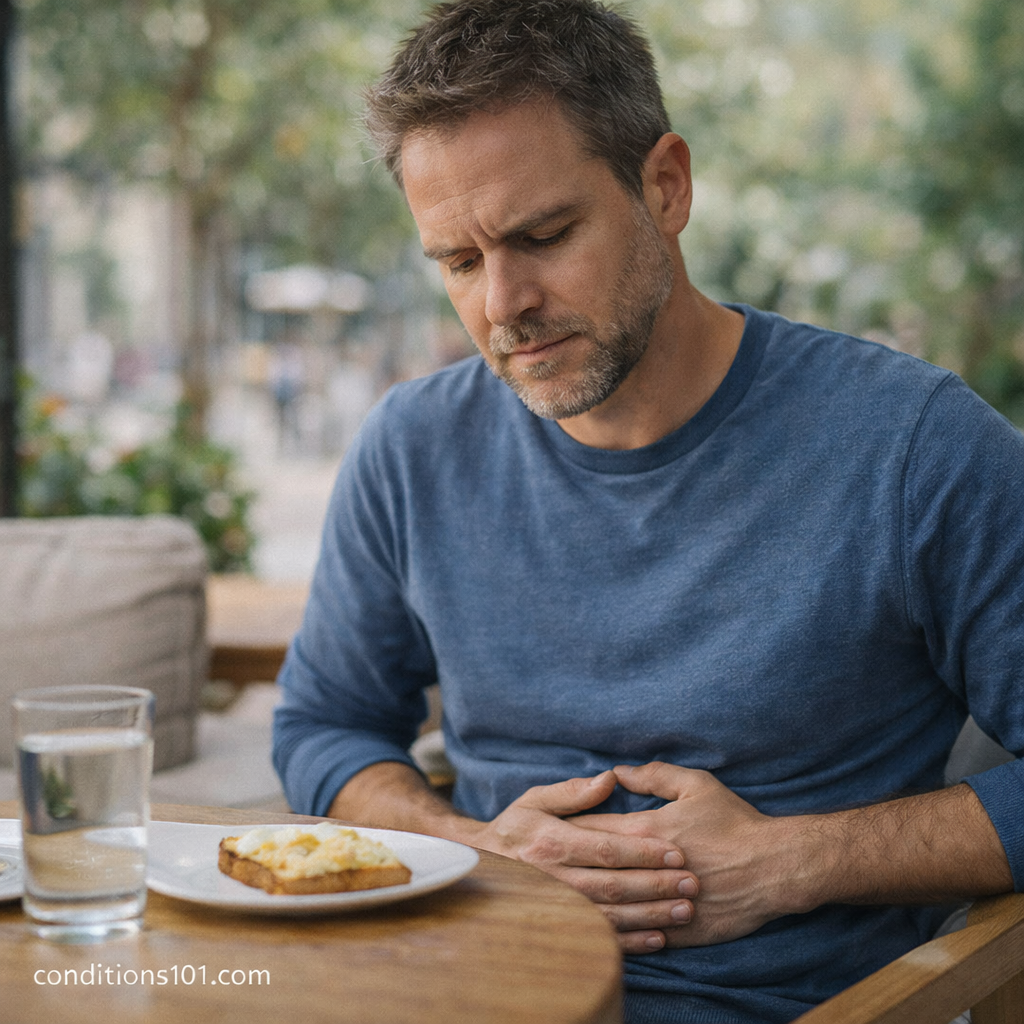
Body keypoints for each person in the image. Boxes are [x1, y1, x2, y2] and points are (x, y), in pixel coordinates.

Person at [272, 1, 1024, 1020]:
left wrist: (786, 862)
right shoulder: (411, 448)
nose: (502, 304)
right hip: (456, 989)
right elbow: (326, 725)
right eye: (457, 262)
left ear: (663, 186)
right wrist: (478, 846)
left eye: (543, 235)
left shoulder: (913, 446)